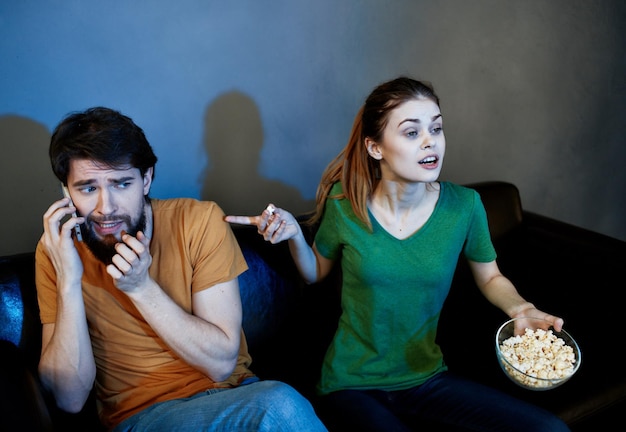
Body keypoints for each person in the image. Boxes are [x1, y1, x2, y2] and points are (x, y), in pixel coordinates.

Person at [225, 77, 572, 432]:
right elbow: (315, 273)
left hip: (426, 379)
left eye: (436, 128)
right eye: (411, 132)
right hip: (350, 384)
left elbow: (492, 277)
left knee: (549, 430)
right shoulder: (346, 205)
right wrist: (295, 234)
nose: (430, 141)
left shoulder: (465, 207)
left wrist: (521, 309)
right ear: (375, 148)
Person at [35, 107, 328, 432]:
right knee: (280, 406)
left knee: (278, 404)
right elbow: (69, 399)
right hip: (144, 417)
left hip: (237, 398)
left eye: (121, 184)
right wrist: (68, 281)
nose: (106, 207)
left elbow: (219, 365)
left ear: (145, 179)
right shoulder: (56, 252)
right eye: (88, 188)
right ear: (66, 193)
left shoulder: (198, 222)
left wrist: (140, 287)